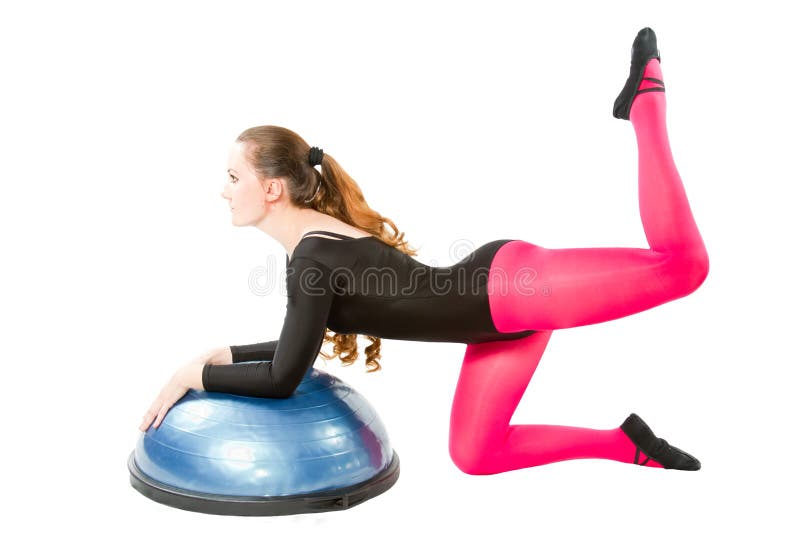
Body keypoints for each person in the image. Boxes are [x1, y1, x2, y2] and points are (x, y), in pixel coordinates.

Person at [140, 27, 709, 474]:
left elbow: (285, 376)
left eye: (232, 176)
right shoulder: (312, 249)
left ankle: (646, 104)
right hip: (495, 323)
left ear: (272, 189)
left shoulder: (312, 258)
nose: (223, 189)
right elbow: (296, 346)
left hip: (507, 288)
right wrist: (228, 353)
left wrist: (196, 376)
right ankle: (623, 444)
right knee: (475, 455)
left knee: (683, 267)